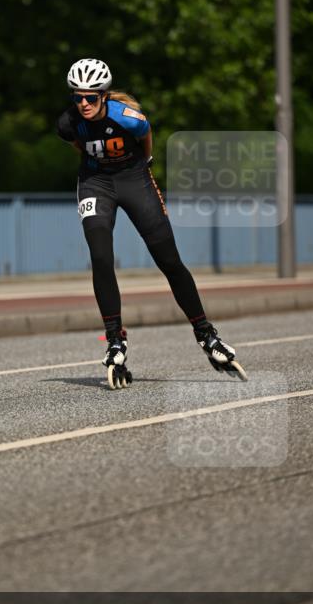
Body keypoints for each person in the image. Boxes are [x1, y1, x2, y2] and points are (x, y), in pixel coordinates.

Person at [56, 57, 245, 383]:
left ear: (104, 95)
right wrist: (98, 165)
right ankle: (115, 340)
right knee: (100, 256)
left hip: (134, 179)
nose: (83, 103)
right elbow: (79, 146)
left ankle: (206, 334)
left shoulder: (128, 118)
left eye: (90, 97)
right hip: (95, 183)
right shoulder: (68, 122)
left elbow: (146, 139)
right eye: (77, 97)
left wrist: (144, 166)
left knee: (168, 259)